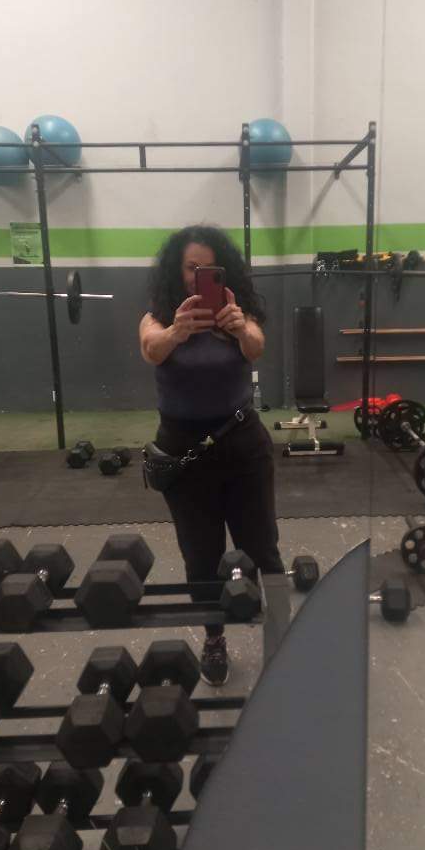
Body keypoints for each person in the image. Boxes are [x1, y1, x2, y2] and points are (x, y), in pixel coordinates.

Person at [140, 225, 284, 685]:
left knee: (262, 547)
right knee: (201, 557)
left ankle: (283, 636)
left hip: (242, 446)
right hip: (185, 453)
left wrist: (239, 327)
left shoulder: (238, 314)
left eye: (208, 267)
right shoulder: (159, 316)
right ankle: (214, 639)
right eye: (191, 267)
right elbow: (151, 349)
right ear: (176, 270)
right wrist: (177, 332)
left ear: (224, 271)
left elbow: (257, 346)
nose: (197, 275)